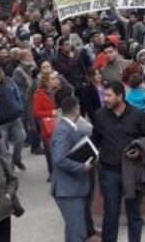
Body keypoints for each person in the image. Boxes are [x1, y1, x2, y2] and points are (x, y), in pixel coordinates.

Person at [92, 80, 145, 242]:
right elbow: (94, 141)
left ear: (120, 96)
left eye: (109, 95)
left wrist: (140, 151)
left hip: (132, 170)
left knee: (134, 213)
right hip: (109, 171)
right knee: (110, 213)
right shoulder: (100, 115)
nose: (105, 99)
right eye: (105, 95)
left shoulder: (137, 114)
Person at [50, 97, 94, 242]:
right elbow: (59, 159)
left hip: (70, 189)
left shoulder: (66, 128)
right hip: (68, 190)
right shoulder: (64, 131)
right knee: (77, 232)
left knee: (73, 230)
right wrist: (82, 167)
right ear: (77, 110)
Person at [0, 64, 26, 172]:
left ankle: (17, 158)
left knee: (21, 138)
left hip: (15, 117)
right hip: (1, 122)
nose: (1, 75)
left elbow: (17, 93)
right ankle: (10, 171)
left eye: (1, 72)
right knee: (4, 150)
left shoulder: (9, 81)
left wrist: (20, 106)